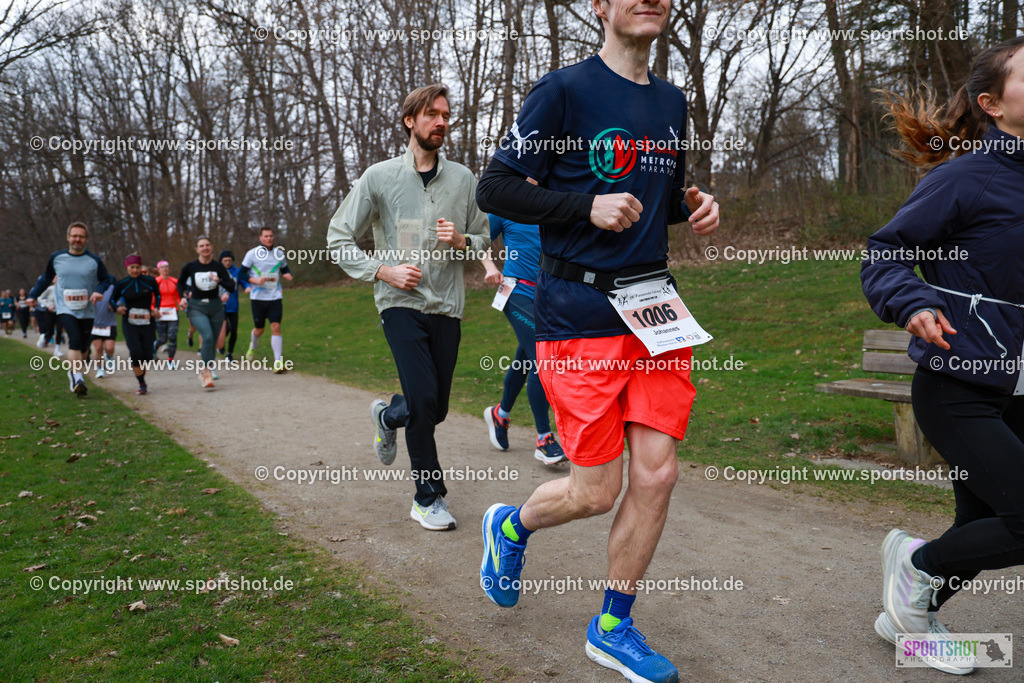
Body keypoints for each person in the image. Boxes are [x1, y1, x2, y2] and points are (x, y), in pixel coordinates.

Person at [474, 1, 721, 680]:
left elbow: (657, 196)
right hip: (579, 313)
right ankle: (511, 526)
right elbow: (495, 187)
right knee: (594, 489)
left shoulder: (672, 101)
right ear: (600, 7)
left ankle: (613, 624)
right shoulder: (562, 92)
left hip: (657, 313)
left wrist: (694, 204)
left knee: (659, 473)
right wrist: (583, 207)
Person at [861, 37, 1024, 676]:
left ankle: (909, 620)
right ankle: (912, 565)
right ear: (992, 104)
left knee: (983, 522)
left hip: (1017, 390)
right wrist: (913, 303)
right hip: (960, 384)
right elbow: (886, 251)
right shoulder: (967, 177)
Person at [327, 83, 490, 531]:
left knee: (431, 408)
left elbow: (482, 237)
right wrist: (384, 271)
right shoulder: (378, 177)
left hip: (448, 306)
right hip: (399, 303)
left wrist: (462, 241)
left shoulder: (463, 179)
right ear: (409, 121)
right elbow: (338, 238)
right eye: (432, 114)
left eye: (446, 115)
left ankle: (388, 415)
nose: (441, 122)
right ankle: (427, 497)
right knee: (424, 399)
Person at [481, 217, 566, 464]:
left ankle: (501, 413)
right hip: (516, 291)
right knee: (541, 359)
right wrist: (490, 267)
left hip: (547, 298)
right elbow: (478, 241)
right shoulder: (505, 206)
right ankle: (544, 439)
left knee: (527, 357)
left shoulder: (552, 205)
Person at [27, 222, 114, 396]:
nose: (77, 239)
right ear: (68, 237)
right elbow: (46, 279)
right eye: (74, 236)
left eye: (81, 236)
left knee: (83, 347)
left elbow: (106, 279)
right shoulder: (57, 258)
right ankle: (77, 377)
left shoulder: (94, 260)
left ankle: (74, 372)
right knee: (73, 338)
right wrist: (33, 295)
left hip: (87, 309)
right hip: (65, 308)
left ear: (86, 239)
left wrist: (98, 291)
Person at [178, 236, 235, 388]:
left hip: (216, 307)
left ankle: (207, 370)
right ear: (197, 249)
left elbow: (231, 287)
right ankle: (206, 372)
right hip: (197, 307)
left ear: (211, 248)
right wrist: (183, 297)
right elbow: (180, 283)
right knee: (207, 336)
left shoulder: (218, 267)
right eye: (201, 246)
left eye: (207, 245)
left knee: (213, 342)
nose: (205, 248)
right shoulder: (190, 267)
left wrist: (219, 281)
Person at [240, 228, 293, 373]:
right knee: (259, 329)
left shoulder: (279, 254)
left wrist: (287, 274)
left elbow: (285, 269)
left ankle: (277, 362)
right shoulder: (252, 254)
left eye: (271, 236)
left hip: (275, 297)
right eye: (266, 236)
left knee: (276, 327)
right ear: (260, 238)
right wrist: (254, 280)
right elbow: (241, 274)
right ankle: (253, 345)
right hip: (258, 298)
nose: (269, 238)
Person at [111, 255, 160, 394]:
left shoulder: (150, 281)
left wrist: (156, 308)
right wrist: (117, 309)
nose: (135, 270)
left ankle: (141, 375)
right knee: (135, 352)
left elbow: (158, 295)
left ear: (141, 267)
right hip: (129, 322)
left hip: (147, 321)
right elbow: (112, 300)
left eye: (137, 267)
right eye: (132, 267)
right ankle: (142, 383)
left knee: (147, 354)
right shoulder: (122, 284)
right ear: (127, 268)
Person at [217, 250, 245, 361]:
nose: (228, 262)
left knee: (234, 330)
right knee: (225, 329)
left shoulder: (237, 272)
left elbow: (244, 282)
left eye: (229, 260)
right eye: (225, 261)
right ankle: (221, 344)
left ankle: (230, 354)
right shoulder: (216, 272)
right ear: (221, 261)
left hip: (233, 306)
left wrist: (247, 287)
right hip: (220, 306)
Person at [154, 260, 181, 368]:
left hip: (172, 311)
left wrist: (181, 304)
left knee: (173, 336)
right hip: (160, 312)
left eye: (167, 267)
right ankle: (154, 347)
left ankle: (170, 360)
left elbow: (178, 297)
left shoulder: (175, 281)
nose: (165, 269)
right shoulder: (156, 282)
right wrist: (153, 309)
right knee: (163, 339)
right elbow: (152, 297)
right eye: (163, 267)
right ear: (158, 270)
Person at [90, 283, 117, 379]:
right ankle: (100, 368)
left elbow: (118, 299)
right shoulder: (90, 287)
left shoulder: (111, 288)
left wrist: (114, 305)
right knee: (98, 349)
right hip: (94, 324)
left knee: (109, 348)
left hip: (109, 323)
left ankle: (109, 357)